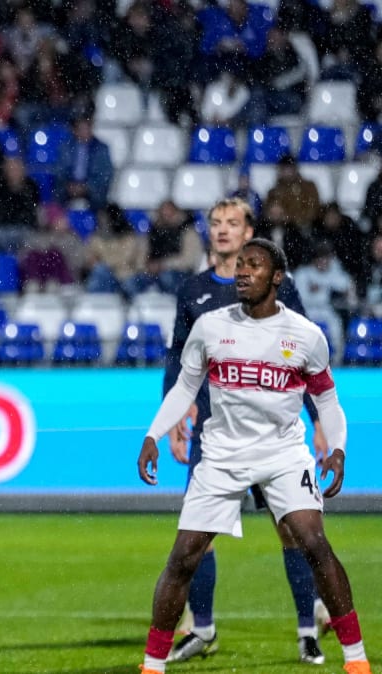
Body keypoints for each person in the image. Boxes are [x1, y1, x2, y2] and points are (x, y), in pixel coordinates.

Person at [137, 238, 371, 674]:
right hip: (221, 454)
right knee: (184, 556)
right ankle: (152, 665)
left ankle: (356, 660)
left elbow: (327, 401)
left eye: (254, 265)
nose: (242, 271)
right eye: (240, 264)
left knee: (314, 544)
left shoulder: (305, 335)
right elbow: (186, 387)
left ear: (277, 277)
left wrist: (338, 448)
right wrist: (154, 433)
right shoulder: (210, 327)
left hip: (283, 454)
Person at [162, 198, 332, 665]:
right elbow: (177, 359)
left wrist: (319, 422)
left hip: (271, 434)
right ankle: (203, 629)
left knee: (291, 531)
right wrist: (173, 415)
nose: (222, 230)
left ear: (249, 232)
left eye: (232, 223)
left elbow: (305, 354)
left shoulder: (279, 287)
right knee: (198, 534)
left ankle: (306, 630)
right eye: (216, 222)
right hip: (214, 434)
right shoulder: (193, 291)